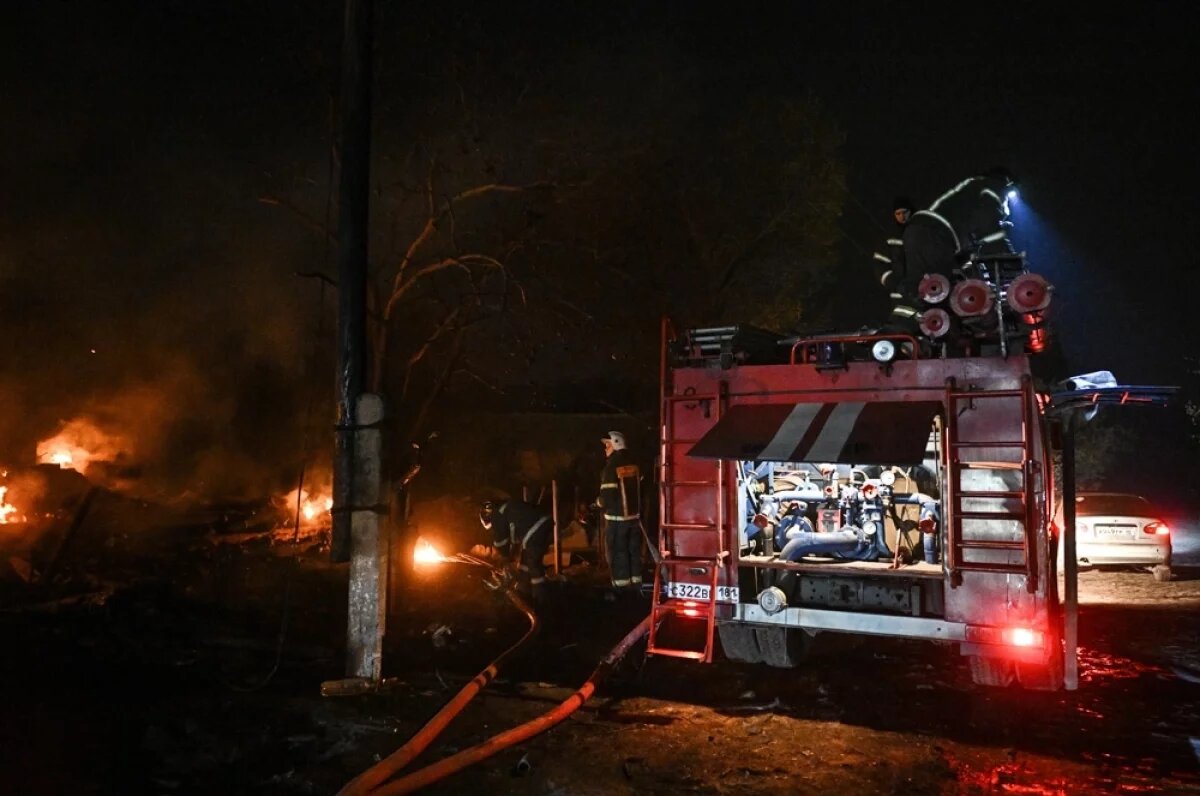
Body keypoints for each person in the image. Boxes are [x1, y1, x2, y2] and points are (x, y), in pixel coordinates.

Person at [902, 167, 1018, 285]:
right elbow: (989, 228)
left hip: (915, 229)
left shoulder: (969, 190)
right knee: (948, 289)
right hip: (937, 233)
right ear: (1007, 183)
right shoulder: (993, 185)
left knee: (924, 289)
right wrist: (1012, 265)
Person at [477, 497, 553, 603]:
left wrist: (501, 560)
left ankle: (540, 600)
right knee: (524, 564)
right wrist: (509, 558)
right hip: (540, 524)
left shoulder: (497, 515)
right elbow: (513, 538)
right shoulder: (505, 509)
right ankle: (524, 593)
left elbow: (502, 542)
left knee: (533, 564)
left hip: (535, 528)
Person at [598, 431, 643, 591]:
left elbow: (607, 496)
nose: (605, 449)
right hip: (634, 519)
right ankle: (636, 585)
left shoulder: (611, 466)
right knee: (633, 552)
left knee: (618, 554)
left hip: (616, 521)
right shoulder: (634, 463)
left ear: (616, 444)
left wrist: (597, 503)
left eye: (607, 445)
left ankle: (621, 589)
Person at [874, 195, 923, 335]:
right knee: (902, 328)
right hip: (898, 295)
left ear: (911, 212)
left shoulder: (922, 234)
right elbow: (880, 264)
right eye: (898, 213)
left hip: (923, 292)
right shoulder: (889, 237)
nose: (902, 216)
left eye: (904, 212)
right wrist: (894, 282)